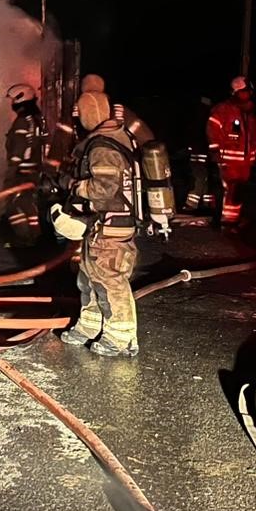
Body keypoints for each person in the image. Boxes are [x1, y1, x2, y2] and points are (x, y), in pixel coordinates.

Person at [51, 90, 158, 357]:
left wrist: (73, 185)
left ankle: (120, 336)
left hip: (110, 225)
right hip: (100, 223)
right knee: (88, 276)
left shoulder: (103, 146)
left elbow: (104, 189)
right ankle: (89, 326)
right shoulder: (115, 139)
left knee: (110, 279)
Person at [207, 78, 256, 228]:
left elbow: (253, 136)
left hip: (244, 162)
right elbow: (212, 130)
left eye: (249, 92)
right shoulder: (223, 109)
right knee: (227, 191)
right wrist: (215, 151)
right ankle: (224, 221)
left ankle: (232, 221)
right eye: (245, 91)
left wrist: (254, 155)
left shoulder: (250, 113)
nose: (248, 94)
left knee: (238, 192)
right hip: (227, 160)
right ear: (236, 92)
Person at [2, 83, 45, 245]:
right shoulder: (38, 119)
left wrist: (12, 170)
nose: (12, 104)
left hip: (21, 172)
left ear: (20, 99)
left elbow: (19, 148)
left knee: (12, 205)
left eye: (13, 100)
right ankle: (34, 235)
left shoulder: (22, 121)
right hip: (33, 171)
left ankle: (26, 237)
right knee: (27, 203)